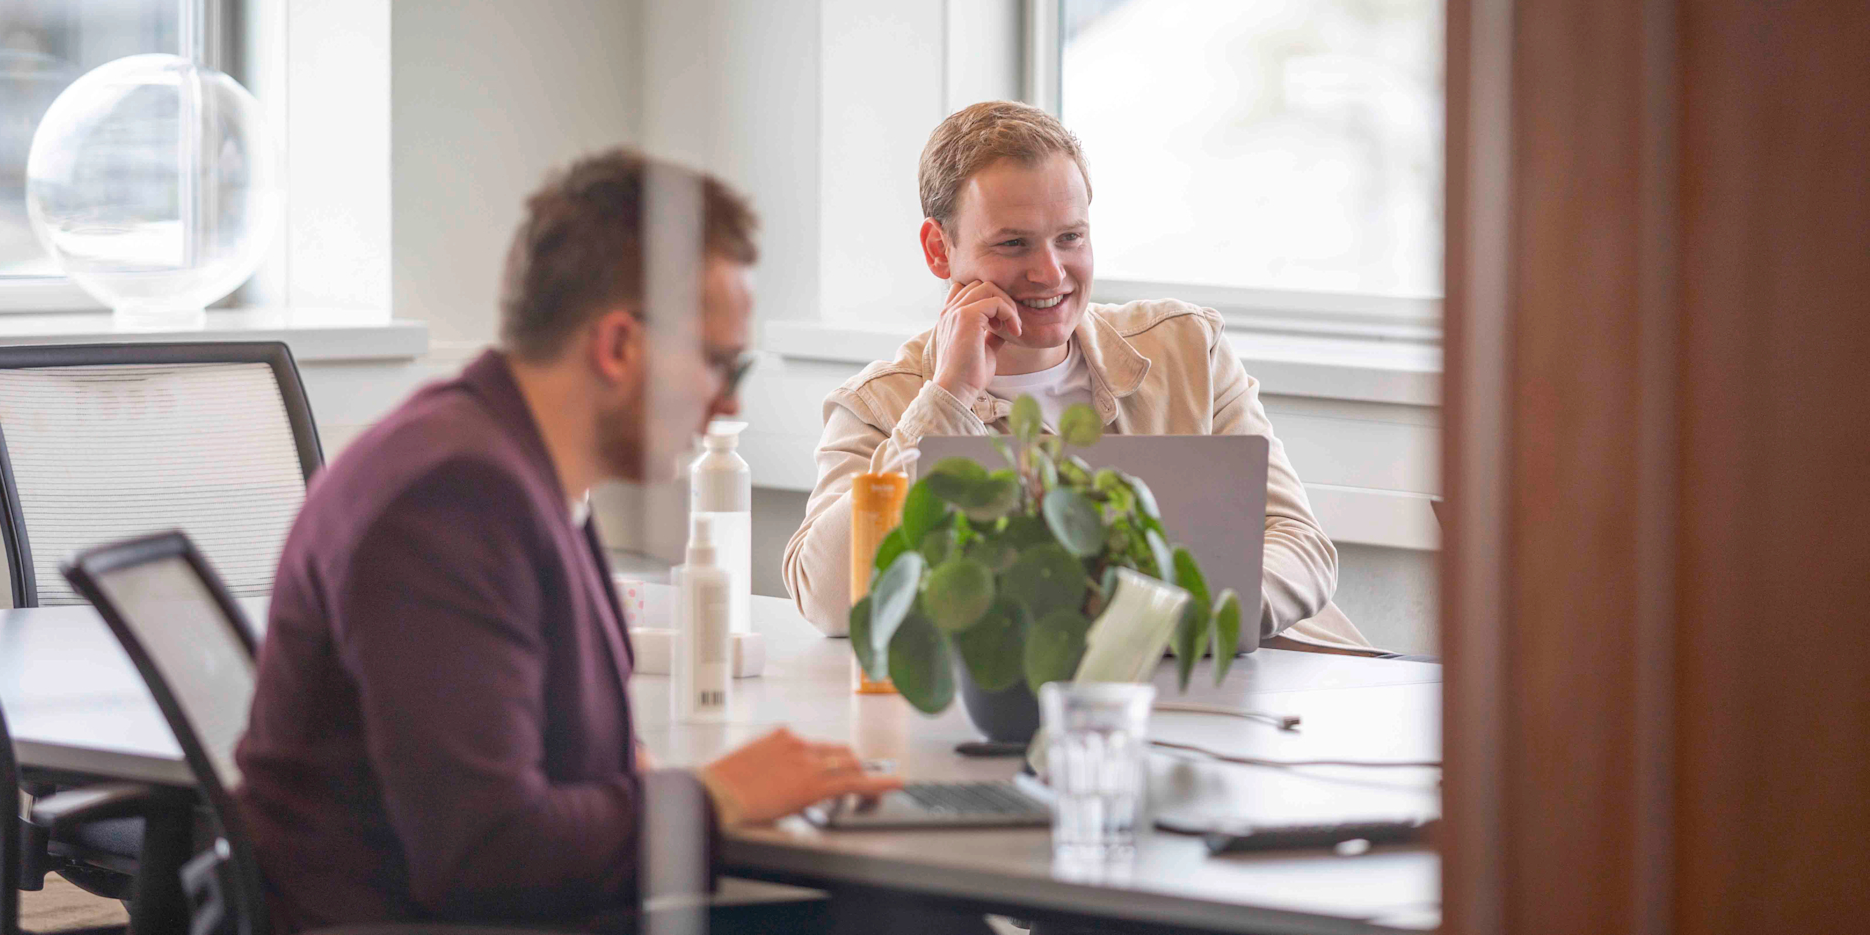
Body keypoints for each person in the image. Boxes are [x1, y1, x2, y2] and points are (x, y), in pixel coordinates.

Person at [234, 150, 904, 933]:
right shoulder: (451, 499)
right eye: (719, 362)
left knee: (902, 913)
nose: (725, 402)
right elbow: (485, 857)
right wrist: (719, 795)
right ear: (619, 346)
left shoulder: (511, 462)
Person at [783, 101, 1374, 653]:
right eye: (1013, 244)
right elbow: (830, 599)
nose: (1050, 271)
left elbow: (1299, 544)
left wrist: (1167, 628)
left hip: (1260, 686)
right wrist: (946, 399)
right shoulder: (879, 405)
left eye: (1071, 237)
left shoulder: (1187, 348)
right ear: (939, 250)